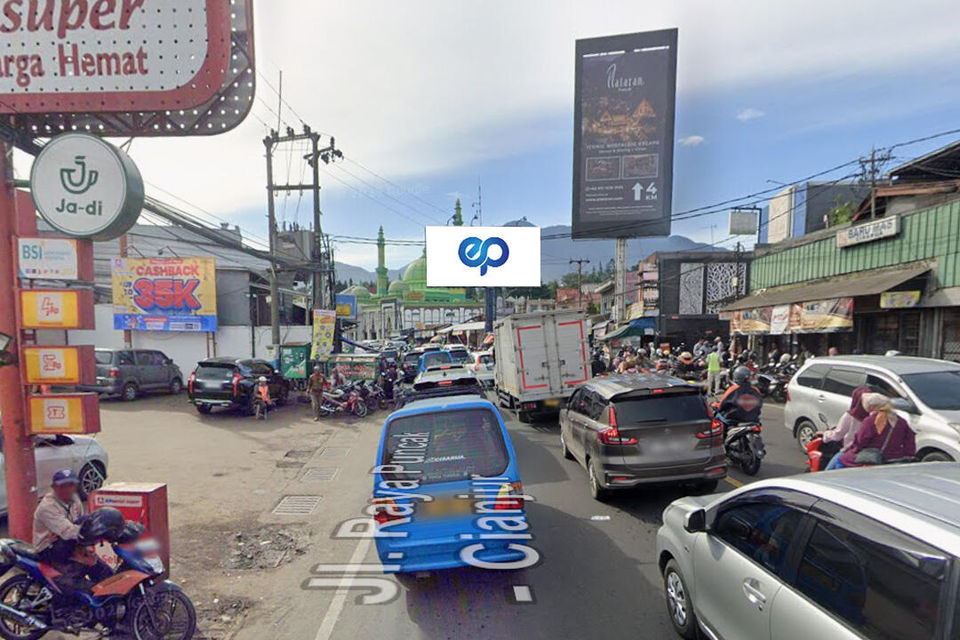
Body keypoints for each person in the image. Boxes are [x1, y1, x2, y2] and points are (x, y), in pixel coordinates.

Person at [33, 469, 112, 598]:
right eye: (63, 486)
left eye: (71, 485)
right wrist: (92, 536)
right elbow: (68, 532)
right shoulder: (47, 507)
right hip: (50, 548)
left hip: (69, 542)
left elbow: (83, 522)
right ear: (54, 487)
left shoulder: (74, 499)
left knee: (103, 570)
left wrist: (88, 547)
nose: (68, 489)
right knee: (82, 585)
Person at [838, 393, 917, 468]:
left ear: (871, 407)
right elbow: (910, 441)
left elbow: (861, 441)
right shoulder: (901, 421)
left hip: (872, 458)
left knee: (840, 460)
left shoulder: (871, 421)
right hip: (893, 458)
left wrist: (853, 450)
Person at [821, 386, 871, 470]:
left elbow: (837, 435)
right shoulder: (875, 417)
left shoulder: (850, 416)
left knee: (826, 472)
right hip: (871, 454)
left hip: (850, 451)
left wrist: (825, 436)